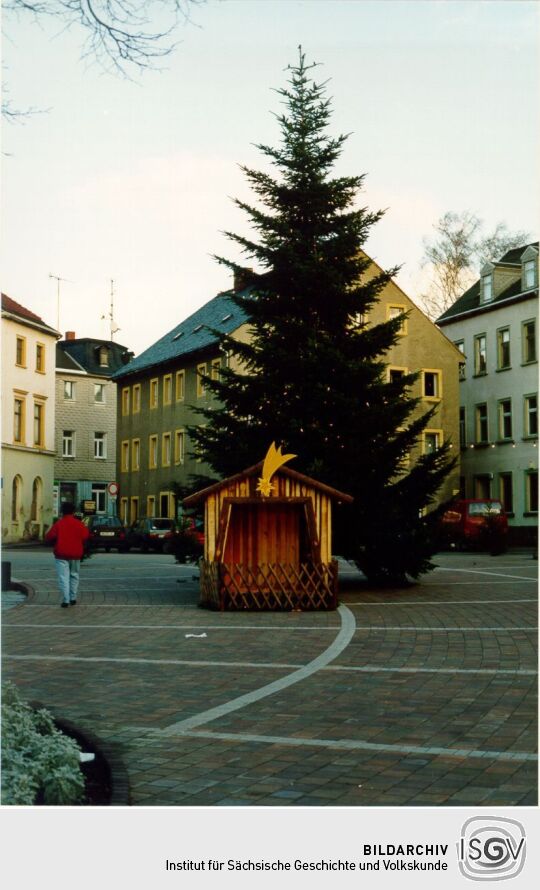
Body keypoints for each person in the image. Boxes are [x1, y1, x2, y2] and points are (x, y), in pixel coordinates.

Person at [45, 503, 90, 608]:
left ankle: (66, 600)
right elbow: (86, 535)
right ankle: (73, 598)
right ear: (73, 512)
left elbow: (49, 536)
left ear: (62, 512)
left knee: (63, 577)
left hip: (61, 554)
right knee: (74, 575)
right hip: (75, 554)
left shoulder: (59, 524)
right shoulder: (79, 524)